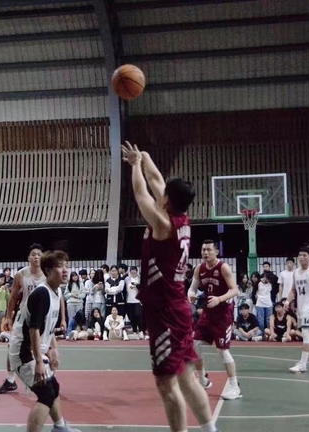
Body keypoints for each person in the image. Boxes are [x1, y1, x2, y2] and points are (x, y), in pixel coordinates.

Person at [122, 142, 217, 432]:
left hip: (165, 312)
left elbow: (141, 193)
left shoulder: (163, 224)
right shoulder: (181, 218)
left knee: (166, 382)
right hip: (176, 308)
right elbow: (156, 180)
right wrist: (145, 156)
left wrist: (135, 164)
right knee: (187, 378)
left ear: (167, 199)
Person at [8, 250, 79, 432]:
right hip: (24, 352)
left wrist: (53, 349)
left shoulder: (56, 291)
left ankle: (60, 427)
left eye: (66, 266)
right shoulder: (42, 294)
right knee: (46, 394)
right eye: (59, 266)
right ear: (48, 270)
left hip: (35, 350)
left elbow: (47, 327)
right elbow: (33, 329)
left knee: (53, 387)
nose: (65, 270)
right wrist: (39, 361)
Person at [188, 239, 241, 400]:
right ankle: (203, 379)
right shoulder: (199, 268)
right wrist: (191, 294)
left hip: (223, 314)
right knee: (194, 345)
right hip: (208, 313)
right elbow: (192, 288)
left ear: (216, 252)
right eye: (203, 250)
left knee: (222, 351)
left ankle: (234, 386)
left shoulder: (223, 267)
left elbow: (235, 290)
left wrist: (219, 299)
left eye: (209, 250)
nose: (205, 252)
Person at [0, 243, 47, 394]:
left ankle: (48, 380)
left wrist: (62, 318)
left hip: (42, 317)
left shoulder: (48, 274)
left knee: (44, 349)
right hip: (23, 317)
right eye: (33, 254)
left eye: (39, 254)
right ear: (28, 258)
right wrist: (8, 317)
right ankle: (10, 380)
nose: (36, 257)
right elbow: (13, 297)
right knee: (12, 346)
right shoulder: (21, 274)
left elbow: (58, 296)